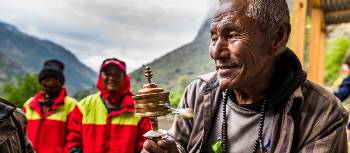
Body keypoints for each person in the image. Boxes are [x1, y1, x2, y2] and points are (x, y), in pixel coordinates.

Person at [142, 0, 349, 152]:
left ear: (277, 38)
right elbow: (179, 143)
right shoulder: (198, 93)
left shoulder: (323, 116)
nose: (215, 52)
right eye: (214, 37)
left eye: (232, 35)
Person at [67, 58, 151, 153]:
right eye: (107, 74)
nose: (111, 78)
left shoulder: (139, 108)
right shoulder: (83, 106)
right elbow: (73, 141)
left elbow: (144, 144)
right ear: (100, 76)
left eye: (117, 74)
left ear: (124, 77)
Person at [22, 59, 78, 153]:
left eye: (55, 80)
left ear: (61, 82)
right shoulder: (29, 104)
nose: (50, 83)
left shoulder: (71, 105)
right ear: (41, 81)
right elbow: (21, 132)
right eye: (47, 80)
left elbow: (74, 137)